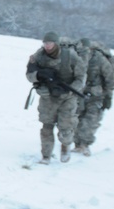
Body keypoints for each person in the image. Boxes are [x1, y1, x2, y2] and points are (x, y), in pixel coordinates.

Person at [25, 31, 86, 164]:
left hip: (67, 97)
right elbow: (29, 75)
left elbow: (80, 78)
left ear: (56, 43)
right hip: (47, 97)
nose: (47, 46)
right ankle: (46, 156)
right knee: (46, 127)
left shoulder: (70, 56)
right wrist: (40, 74)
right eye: (45, 43)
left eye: (50, 43)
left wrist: (69, 91)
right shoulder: (39, 56)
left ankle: (65, 148)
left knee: (65, 127)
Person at [72, 38, 114, 156]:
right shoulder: (76, 57)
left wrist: (108, 96)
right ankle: (77, 144)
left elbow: (109, 79)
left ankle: (84, 145)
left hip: (96, 95)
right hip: (78, 93)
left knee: (91, 120)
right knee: (76, 118)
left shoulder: (99, 59)